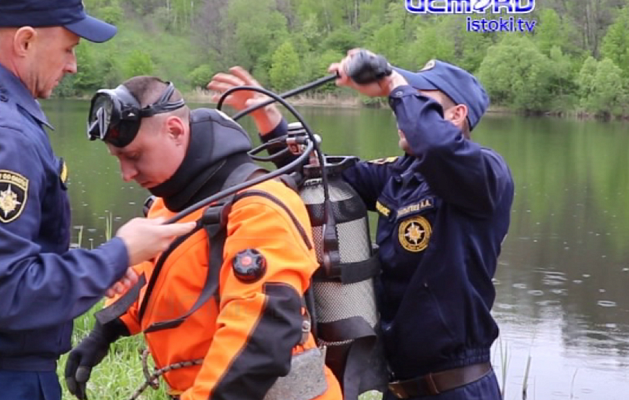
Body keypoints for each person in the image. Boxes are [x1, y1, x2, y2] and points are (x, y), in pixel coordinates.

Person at [0, 1, 195, 399]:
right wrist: (119, 253)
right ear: (25, 41)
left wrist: (87, 263)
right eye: (68, 48)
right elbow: (8, 293)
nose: (73, 64)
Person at [207, 50, 514, 400]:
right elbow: (318, 178)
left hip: (459, 387)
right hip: (401, 388)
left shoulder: (486, 174)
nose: (402, 109)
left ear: (458, 114)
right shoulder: (400, 176)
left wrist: (395, 85)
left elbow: (438, 146)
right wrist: (268, 115)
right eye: (405, 97)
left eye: (419, 98)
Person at [63, 76, 343, 400]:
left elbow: (258, 336)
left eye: (135, 156)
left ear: (175, 130)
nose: (126, 174)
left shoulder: (259, 208)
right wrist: (106, 328)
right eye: (119, 159)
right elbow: (157, 272)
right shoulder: (171, 203)